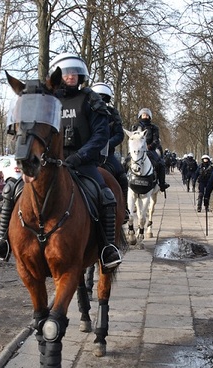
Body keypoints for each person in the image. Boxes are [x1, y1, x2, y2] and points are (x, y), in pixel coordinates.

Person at [0, 54, 122, 273]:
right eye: (66, 72)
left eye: (74, 72)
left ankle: (107, 247)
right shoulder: (48, 100)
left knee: (105, 194)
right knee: (11, 188)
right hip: (48, 162)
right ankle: (3, 240)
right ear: (59, 76)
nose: (70, 76)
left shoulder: (90, 100)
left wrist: (80, 156)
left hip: (82, 162)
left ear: (81, 76)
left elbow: (101, 134)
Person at [84, 81, 128, 299]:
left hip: (107, 152)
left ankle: (123, 208)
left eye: (105, 98)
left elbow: (119, 134)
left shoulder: (112, 114)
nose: (102, 100)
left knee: (121, 175)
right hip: (88, 152)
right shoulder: (87, 108)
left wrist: (107, 143)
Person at [131, 108, 169, 192]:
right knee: (125, 162)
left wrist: (149, 146)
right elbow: (132, 138)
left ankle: (162, 183)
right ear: (140, 116)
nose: (145, 116)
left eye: (147, 115)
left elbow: (156, 140)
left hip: (150, 150)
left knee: (161, 163)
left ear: (150, 116)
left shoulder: (154, 127)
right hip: (137, 150)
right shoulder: (135, 126)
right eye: (144, 115)